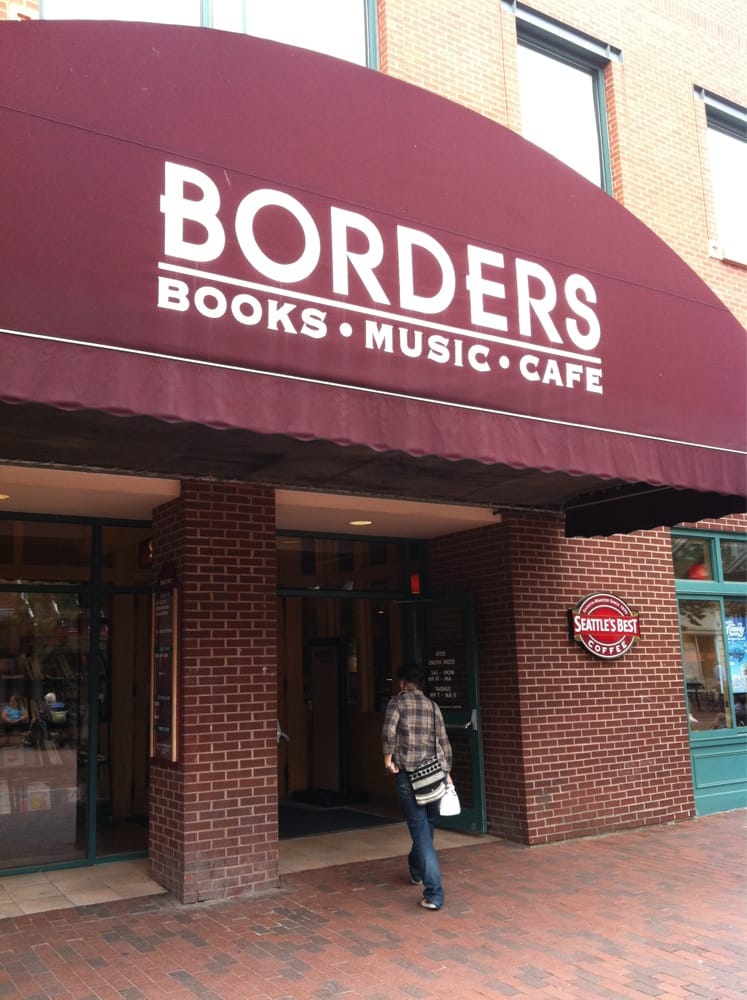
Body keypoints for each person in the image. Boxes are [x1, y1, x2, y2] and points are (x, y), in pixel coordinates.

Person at [381, 663, 453, 911]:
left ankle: (434, 893)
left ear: (402, 682)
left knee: (421, 832)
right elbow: (444, 743)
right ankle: (415, 868)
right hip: (434, 776)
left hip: (408, 776)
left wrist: (388, 762)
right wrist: (447, 775)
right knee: (426, 827)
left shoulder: (397, 703)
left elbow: (388, 734)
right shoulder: (433, 707)